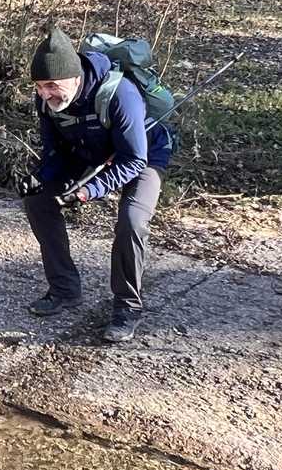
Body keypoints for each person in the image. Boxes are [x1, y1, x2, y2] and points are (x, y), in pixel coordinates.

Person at [17, 26, 172, 345]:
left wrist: (90, 189)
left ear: (75, 79)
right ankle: (64, 289)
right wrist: (40, 178)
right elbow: (54, 153)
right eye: (39, 86)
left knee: (131, 221)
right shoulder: (47, 101)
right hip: (91, 151)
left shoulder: (120, 94)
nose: (45, 94)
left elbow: (133, 160)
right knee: (35, 198)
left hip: (142, 155)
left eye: (51, 86)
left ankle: (127, 308)